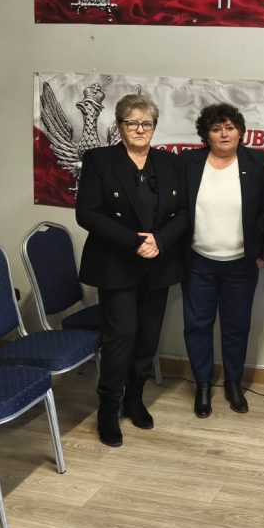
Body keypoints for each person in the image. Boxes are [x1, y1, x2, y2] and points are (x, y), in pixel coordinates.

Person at [75, 93, 187, 447]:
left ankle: (134, 399)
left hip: (158, 262)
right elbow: (87, 213)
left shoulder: (170, 163)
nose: (140, 129)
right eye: (132, 123)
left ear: (155, 127)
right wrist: (134, 241)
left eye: (147, 123)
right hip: (116, 263)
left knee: (148, 337)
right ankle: (108, 407)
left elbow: (184, 212)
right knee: (121, 336)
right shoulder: (99, 160)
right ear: (120, 126)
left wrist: (160, 241)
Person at [181, 103, 264, 417]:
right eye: (216, 128)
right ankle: (203, 385)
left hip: (240, 264)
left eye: (230, 127)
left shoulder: (256, 161)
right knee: (197, 326)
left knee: (236, 326)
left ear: (240, 131)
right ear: (206, 135)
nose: (224, 134)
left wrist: (261, 250)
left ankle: (234, 383)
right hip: (199, 262)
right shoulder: (190, 162)